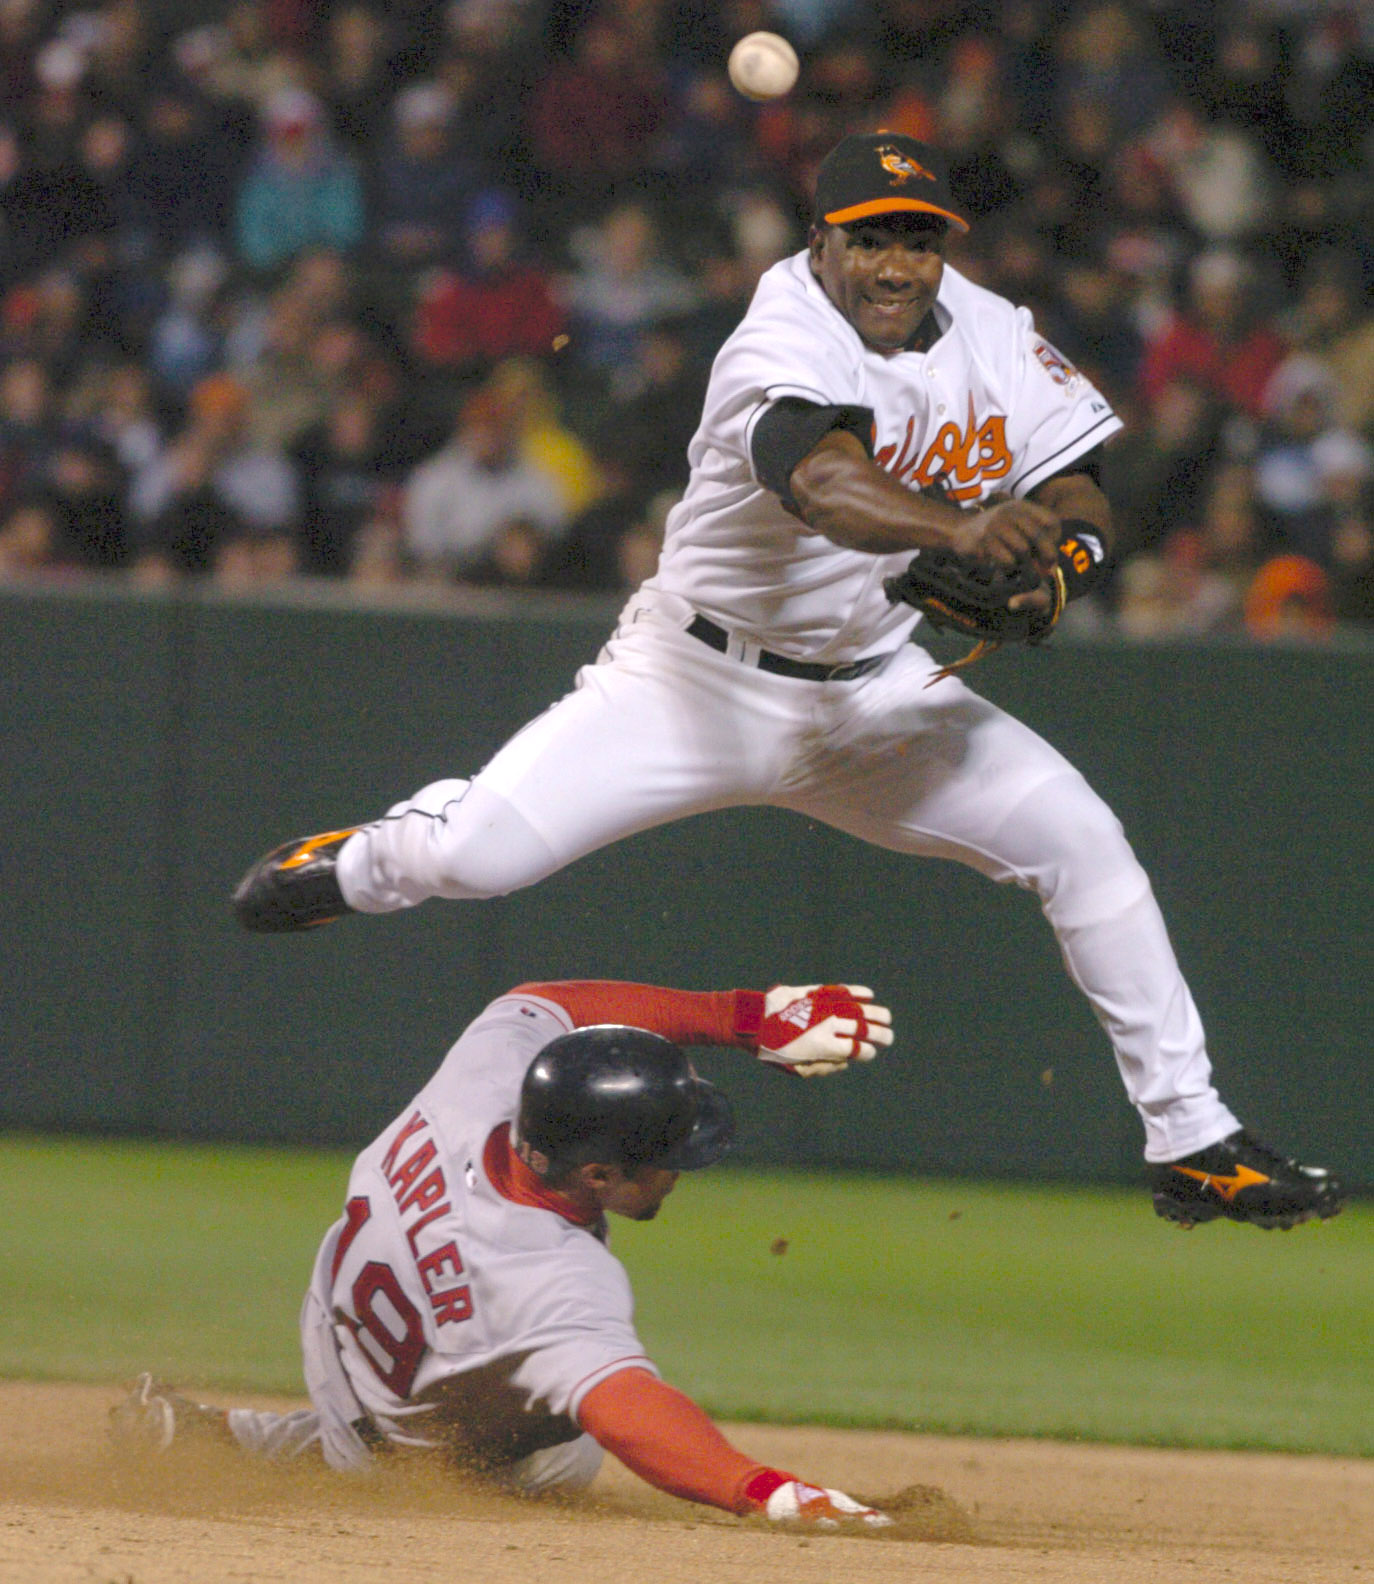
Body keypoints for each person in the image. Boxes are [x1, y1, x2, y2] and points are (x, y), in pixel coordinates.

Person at [233, 133, 1346, 1234]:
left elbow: (1080, 475)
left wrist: (1072, 566)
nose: (899, 264)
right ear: (822, 242)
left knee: (1084, 842)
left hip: (876, 700)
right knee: (475, 858)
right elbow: (822, 481)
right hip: (693, 685)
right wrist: (963, 526)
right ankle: (366, 856)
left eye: (919, 239)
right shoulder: (780, 332)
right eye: (872, 240)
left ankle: (1192, 1142)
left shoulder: (994, 330)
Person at [111, 975, 897, 1530]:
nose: (679, 1170)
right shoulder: (546, 1275)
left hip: (340, 1323)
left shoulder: (488, 1086)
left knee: (496, 1363)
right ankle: (315, 1449)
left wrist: (746, 1015)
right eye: (666, 1156)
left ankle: (235, 1435)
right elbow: (625, 1411)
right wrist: (767, 1492)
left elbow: (552, 1001)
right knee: (571, 1440)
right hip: (423, 1457)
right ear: (596, 1172)